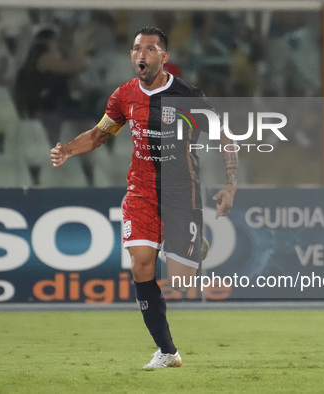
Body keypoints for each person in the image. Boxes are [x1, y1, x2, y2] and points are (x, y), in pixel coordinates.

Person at [50, 26, 238, 369]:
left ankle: (190, 245)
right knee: (141, 264)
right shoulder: (123, 96)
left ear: (164, 57)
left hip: (182, 190)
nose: (142, 54)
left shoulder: (186, 96)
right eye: (137, 48)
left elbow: (224, 135)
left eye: (150, 49)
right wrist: (68, 150)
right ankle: (168, 352)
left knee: (180, 281)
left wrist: (230, 183)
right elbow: (99, 134)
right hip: (141, 190)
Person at [14, 27, 86, 144]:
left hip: (50, 107)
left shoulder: (39, 59)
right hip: (46, 109)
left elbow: (76, 69)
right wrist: (81, 43)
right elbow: (74, 66)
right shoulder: (45, 59)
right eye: (56, 41)